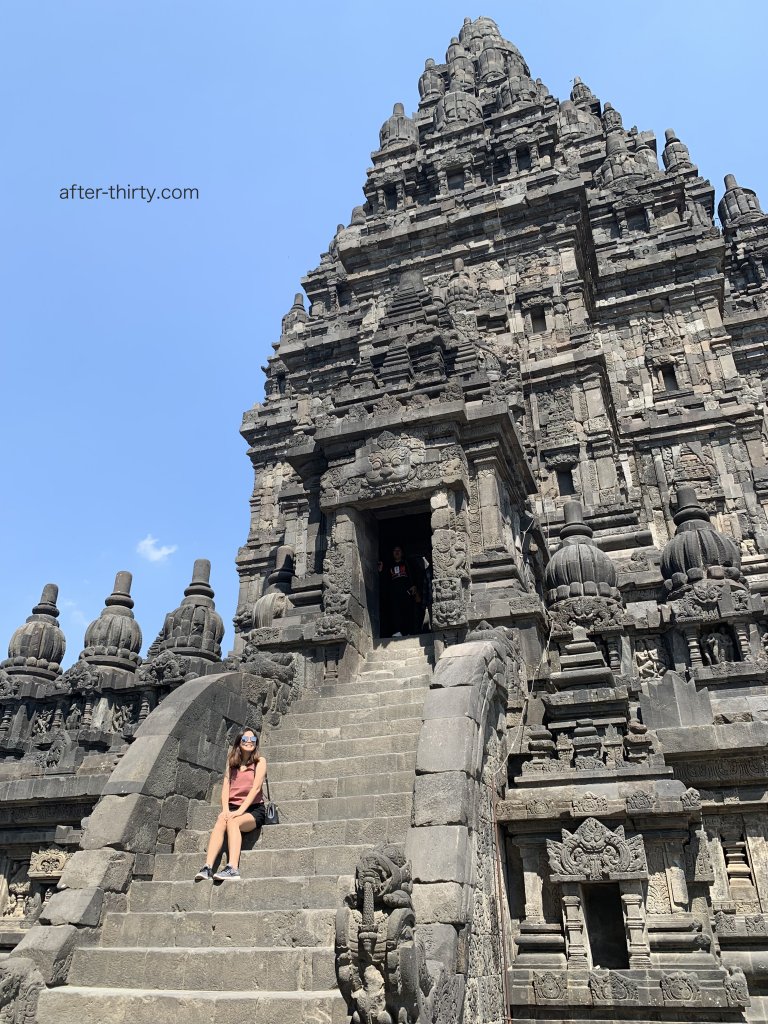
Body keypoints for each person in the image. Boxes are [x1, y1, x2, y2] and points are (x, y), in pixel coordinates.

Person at [194, 727, 267, 881]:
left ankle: (233, 868)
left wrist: (239, 811)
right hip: (233, 807)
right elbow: (226, 787)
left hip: (253, 809)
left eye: (252, 740)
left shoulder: (259, 761)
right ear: (239, 742)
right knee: (222, 819)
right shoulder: (232, 762)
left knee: (233, 821)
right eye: (245, 740)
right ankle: (208, 867)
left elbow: (256, 788)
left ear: (256, 743)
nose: (249, 742)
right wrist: (226, 810)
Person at [378, 545, 423, 637]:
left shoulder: (407, 563)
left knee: (408, 612)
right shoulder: (389, 566)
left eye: (399, 550)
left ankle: (409, 632)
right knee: (395, 612)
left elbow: (415, 574)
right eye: (395, 550)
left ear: (402, 553)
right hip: (394, 593)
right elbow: (385, 579)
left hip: (407, 591)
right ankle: (397, 631)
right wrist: (381, 570)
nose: (397, 552)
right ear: (392, 553)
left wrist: (414, 586)